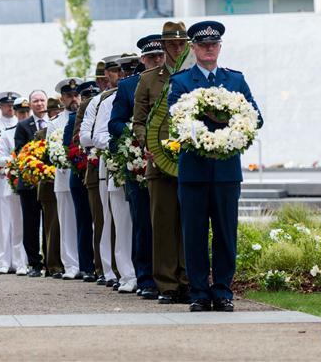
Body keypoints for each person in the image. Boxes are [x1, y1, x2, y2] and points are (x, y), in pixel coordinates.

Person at [167, 20, 263, 312]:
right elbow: (176, 121)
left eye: (214, 45)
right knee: (194, 234)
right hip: (194, 171)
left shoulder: (235, 80)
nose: (209, 49)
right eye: (203, 45)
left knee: (225, 234)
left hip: (225, 173)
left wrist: (228, 123)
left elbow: (255, 117)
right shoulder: (181, 82)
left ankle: (223, 291)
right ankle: (199, 293)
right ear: (193, 48)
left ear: (219, 47)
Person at [132, 21, 194, 304]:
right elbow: (139, 122)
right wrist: (149, 144)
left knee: (189, 222)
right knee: (163, 223)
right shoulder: (148, 79)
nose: (177, 48)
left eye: (182, 44)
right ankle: (167, 285)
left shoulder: (194, 76)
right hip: (158, 161)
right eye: (172, 44)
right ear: (164, 46)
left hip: (191, 159)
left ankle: (188, 280)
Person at [109, 37, 162, 299]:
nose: (156, 61)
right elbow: (114, 123)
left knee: (168, 221)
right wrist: (131, 133)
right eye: (151, 58)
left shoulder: (174, 80)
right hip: (138, 159)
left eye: (160, 57)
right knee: (142, 221)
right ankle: (146, 278)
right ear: (143, 60)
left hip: (166, 159)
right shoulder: (129, 85)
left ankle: (170, 276)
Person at [95, 54, 139, 294]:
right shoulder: (106, 100)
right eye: (125, 70)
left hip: (143, 162)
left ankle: (143, 271)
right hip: (118, 165)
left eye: (134, 68)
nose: (129, 73)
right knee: (122, 224)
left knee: (141, 222)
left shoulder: (148, 88)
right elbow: (96, 135)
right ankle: (127, 274)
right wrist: (125, 138)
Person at [79, 55, 121, 286]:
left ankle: (123, 268)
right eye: (113, 71)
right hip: (102, 166)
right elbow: (85, 136)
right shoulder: (97, 101)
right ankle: (107, 268)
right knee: (105, 220)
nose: (116, 76)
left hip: (123, 164)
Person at [0, 97, 31, 275]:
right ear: (15, 113)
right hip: (14, 183)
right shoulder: (8, 133)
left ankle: (33, 260)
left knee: (32, 225)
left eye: (26, 112)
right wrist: (15, 160)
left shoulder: (35, 129)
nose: (23, 115)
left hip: (33, 182)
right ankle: (19, 262)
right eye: (20, 112)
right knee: (17, 225)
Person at [13, 89, 48, 277]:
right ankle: (34, 263)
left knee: (50, 223)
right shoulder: (23, 126)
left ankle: (52, 262)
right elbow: (20, 151)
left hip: (48, 182)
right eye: (35, 101)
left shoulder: (53, 123)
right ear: (30, 104)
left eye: (42, 100)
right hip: (29, 183)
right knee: (31, 225)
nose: (39, 104)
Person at [0, 92, 22, 274]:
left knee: (17, 222)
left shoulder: (20, 125)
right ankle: (2, 262)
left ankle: (18, 261)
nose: (10, 107)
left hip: (15, 180)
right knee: (0, 224)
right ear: (0, 106)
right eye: (6, 104)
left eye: (12, 105)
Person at [67, 80, 99, 280]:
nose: (88, 100)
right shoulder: (73, 119)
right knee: (85, 222)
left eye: (90, 96)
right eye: (85, 97)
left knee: (101, 222)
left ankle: (100, 263)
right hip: (79, 176)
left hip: (97, 172)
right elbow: (69, 147)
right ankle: (87, 266)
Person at [53, 78, 83, 279]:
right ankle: (71, 264)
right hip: (64, 178)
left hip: (84, 176)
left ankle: (87, 262)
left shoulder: (88, 114)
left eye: (76, 95)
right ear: (62, 99)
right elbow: (50, 149)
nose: (73, 99)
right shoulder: (55, 122)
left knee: (86, 222)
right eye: (69, 96)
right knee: (67, 222)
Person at [35, 96, 65, 278]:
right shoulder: (41, 133)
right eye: (54, 112)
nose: (57, 115)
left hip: (62, 181)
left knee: (65, 225)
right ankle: (53, 264)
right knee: (52, 227)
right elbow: (38, 158)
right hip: (48, 185)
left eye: (59, 112)